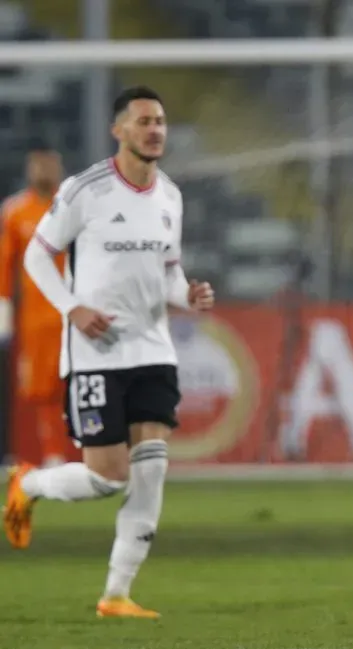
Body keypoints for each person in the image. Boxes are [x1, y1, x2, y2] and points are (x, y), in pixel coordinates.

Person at [2, 86, 215, 619]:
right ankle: (26, 484)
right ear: (119, 130)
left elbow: (168, 271)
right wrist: (72, 308)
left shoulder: (169, 194)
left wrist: (186, 294)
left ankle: (116, 594)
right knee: (106, 477)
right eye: (144, 121)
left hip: (152, 350)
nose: (155, 130)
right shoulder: (85, 190)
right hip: (96, 353)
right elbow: (36, 256)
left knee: (152, 470)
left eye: (161, 121)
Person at [0, 142, 69, 468]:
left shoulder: (73, 207)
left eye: (49, 164)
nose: (43, 171)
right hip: (35, 319)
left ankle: (96, 454)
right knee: (43, 392)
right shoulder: (15, 212)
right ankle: (54, 454)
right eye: (37, 164)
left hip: (75, 313)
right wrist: (3, 305)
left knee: (85, 384)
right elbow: (4, 262)